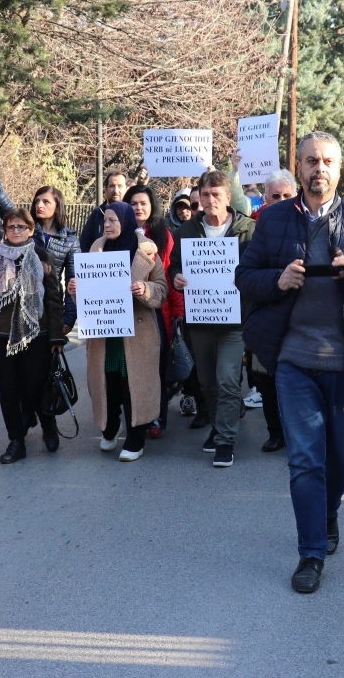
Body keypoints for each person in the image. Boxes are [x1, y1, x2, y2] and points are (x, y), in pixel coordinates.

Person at [236, 131, 344, 594]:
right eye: (312, 160)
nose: (320, 169)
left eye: (328, 161)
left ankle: (327, 511)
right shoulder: (273, 220)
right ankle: (311, 552)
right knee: (305, 460)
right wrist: (278, 279)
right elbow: (244, 277)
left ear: (339, 168)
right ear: (299, 167)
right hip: (294, 359)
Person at [0, 207, 64, 464]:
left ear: (31, 230)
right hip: (0, 335)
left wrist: (56, 337)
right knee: (8, 390)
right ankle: (16, 440)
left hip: (36, 334)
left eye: (21, 227)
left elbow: (53, 299)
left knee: (34, 386)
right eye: (10, 227)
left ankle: (48, 424)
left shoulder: (42, 257)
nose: (15, 231)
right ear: (5, 230)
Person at [170, 170, 256, 467]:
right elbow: (175, 267)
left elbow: (259, 269)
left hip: (235, 321)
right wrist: (176, 279)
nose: (209, 200)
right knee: (207, 382)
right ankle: (220, 425)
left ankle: (225, 441)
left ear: (228, 197)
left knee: (228, 380)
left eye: (216, 194)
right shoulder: (186, 231)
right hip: (201, 320)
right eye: (204, 195)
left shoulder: (249, 229)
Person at [75, 202, 167, 462]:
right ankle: (110, 428)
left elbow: (162, 289)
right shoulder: (96, 250)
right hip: (105, 334)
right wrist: (75, 291)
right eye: (105, 220)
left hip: (136, 334)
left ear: (126, 222)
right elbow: (86, 297)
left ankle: (136, 438)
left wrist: (145, 289)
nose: (107, 225)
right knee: (108, 384)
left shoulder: (146, 251)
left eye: (113, 220)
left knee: (133, 386)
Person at [0, 153, 80, 335]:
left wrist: (68, 319)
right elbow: (4, 203)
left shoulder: (70, 240)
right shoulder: (25, 229)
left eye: (46, 202)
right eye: (37, 200)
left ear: (57, 206)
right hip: (17, 307)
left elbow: (74, 281)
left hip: (49, 309)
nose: (40, 204)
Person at [246, 169, 298, 451]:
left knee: (294, 382)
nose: (280, 200)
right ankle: (275, 432)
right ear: (265, 198)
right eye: (275, 195)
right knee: (266, 380)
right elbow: (246, 273)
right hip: (265, 314)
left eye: (286, 195)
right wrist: (277, 281)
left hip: (298, 318)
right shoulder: (258, 225)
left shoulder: (306, 223)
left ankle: (295, 434)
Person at [125, 184, 182, 438]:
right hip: (125, 310)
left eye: (143, 203)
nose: (138, 208)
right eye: (134, 203)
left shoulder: (163, 234)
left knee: (156, 366)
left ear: (152, 207)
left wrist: (177, 313)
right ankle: (135, 417)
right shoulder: (119, 232)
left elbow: (167, 278)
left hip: (157, 307)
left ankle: (157, 417)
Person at [78, 171, 129, 253]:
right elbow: (85, 245)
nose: (116, 190)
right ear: (105, 190)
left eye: (120, 186)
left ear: (127, 189)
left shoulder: (133, 214)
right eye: (112, 186)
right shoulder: (97, 213)